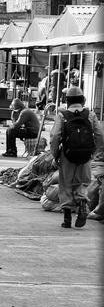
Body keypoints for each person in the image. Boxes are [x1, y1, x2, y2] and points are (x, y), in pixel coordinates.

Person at [49, 86, 104, 228]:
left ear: (67, 100)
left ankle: (67, 218)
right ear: (82, 100)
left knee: (66, 183)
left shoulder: (62, 115)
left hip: (67, 155)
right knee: (81, 182)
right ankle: (82, 204)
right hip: (85, 155)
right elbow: (100, 136)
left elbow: (55, 136)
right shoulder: (90, 115)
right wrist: (93, 152)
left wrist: (55, 154)